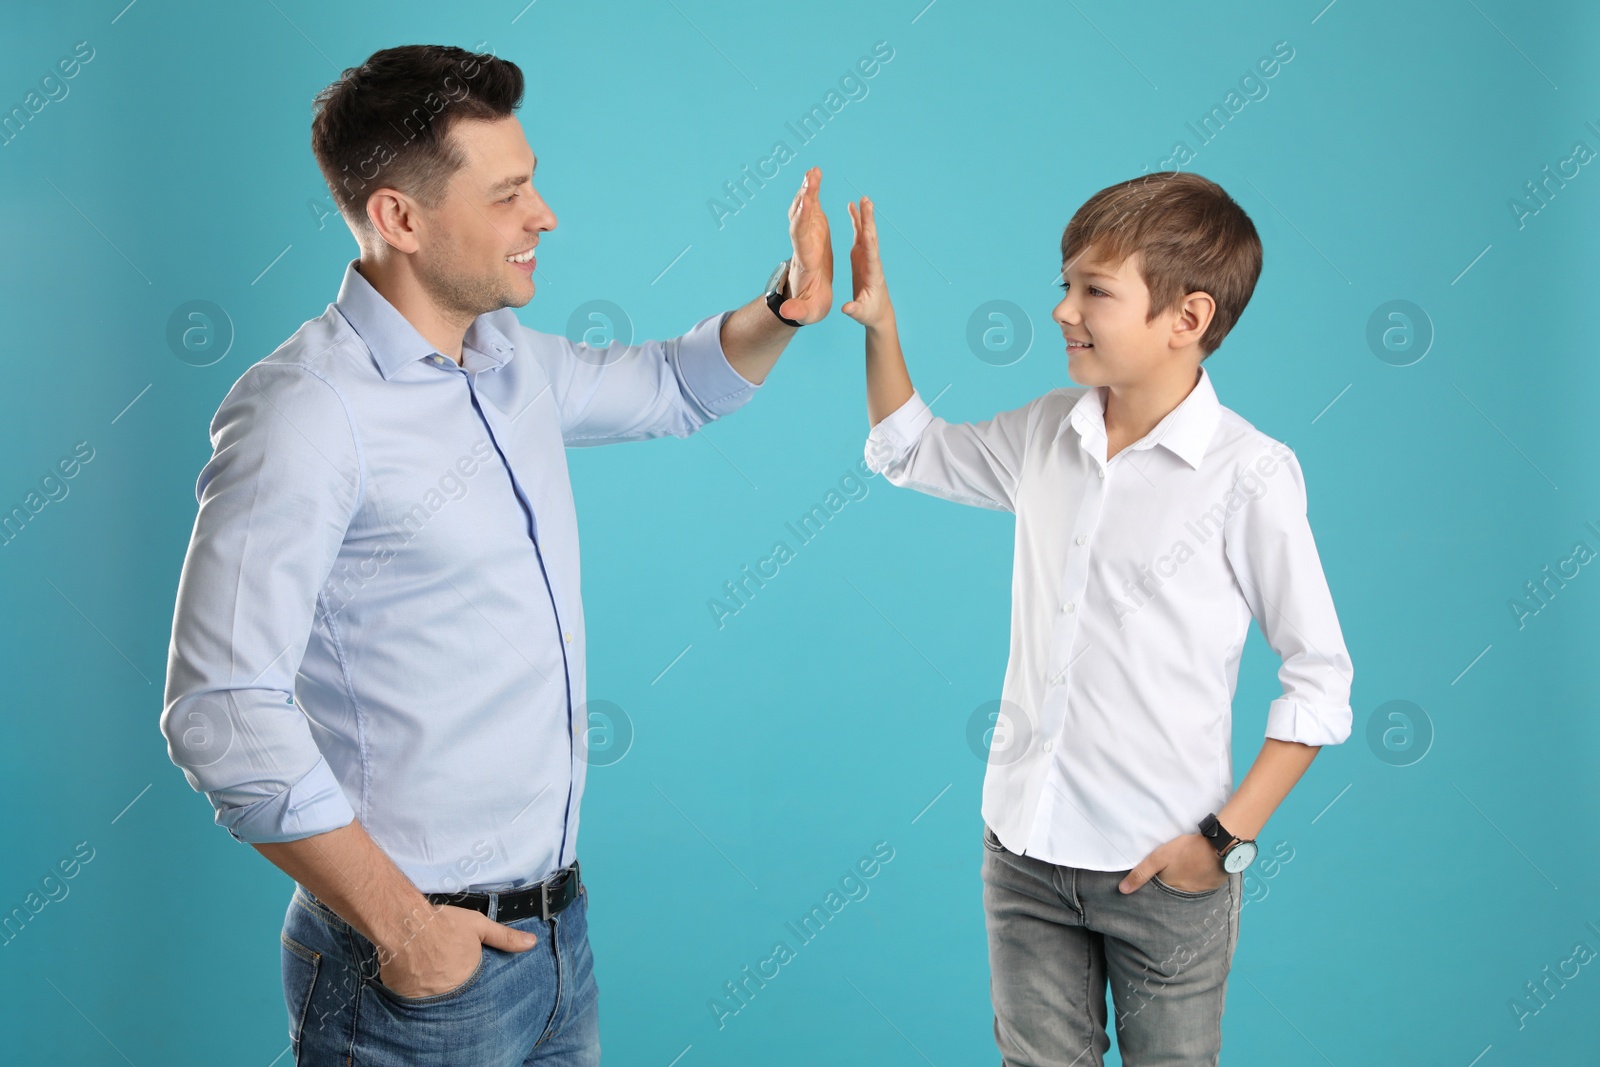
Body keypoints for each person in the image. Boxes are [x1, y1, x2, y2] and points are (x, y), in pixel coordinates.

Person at [160, 43, 832, 1066]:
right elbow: (219, 710)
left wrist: (780, 306)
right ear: (399, 217)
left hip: (556, 937)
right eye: (511, 191)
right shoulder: (305, 411)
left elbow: (673, 386)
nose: (544, 214)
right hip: (414, 970)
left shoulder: (508, 362)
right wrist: (407, 929)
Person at [842, 171, 1352, 1066]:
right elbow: (910, 449)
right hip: (1025, 855)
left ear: (1187, 319)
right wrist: (882, 325)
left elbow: (1321, 678)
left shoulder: (1251, 474)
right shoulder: (1047, 430)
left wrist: (1223, 841)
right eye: (1065, 284)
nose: (1062, 310)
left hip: (1166, 871)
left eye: (1094, 291)